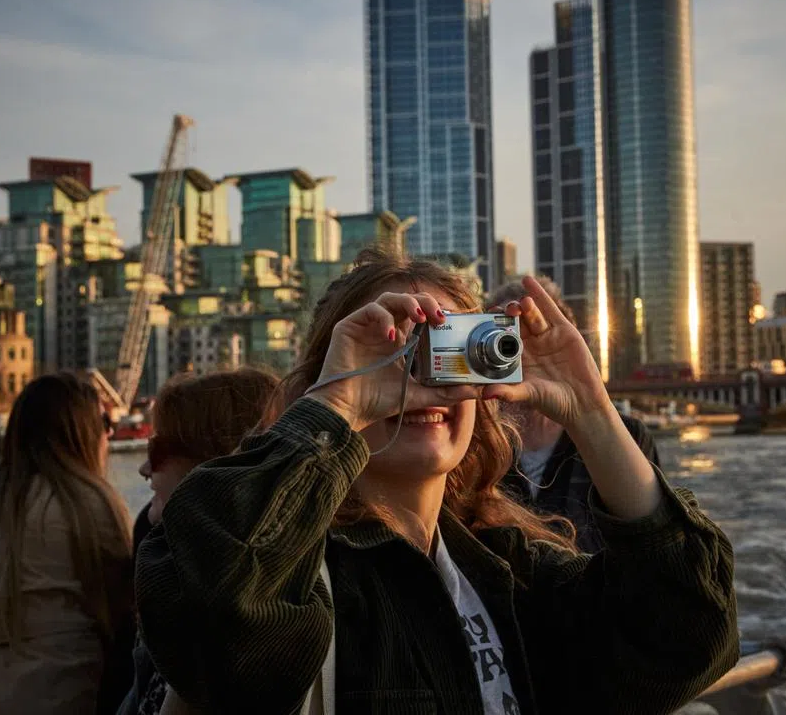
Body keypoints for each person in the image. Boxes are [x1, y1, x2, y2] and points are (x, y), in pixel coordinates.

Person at [136, 249, 739, 714]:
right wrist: (339, 408)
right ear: (328, 377)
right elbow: (209, 608)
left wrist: (591, 411)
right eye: (396, 351)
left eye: (453, 351)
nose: (424, 380)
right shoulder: (303, 582)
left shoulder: (509, 572)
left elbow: (687, 635)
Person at [0, 372, 134, 715]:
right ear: (81, 430)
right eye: (103, 421)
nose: (110, 432)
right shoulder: (89, 503)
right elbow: (123, 620)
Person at [117, 367, 280, 715]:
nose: (145, 468)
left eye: (157, 449)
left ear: (210, 462)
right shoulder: (164, 557)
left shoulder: (250, 616)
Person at [486, 277, 663, 553]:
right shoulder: (472, 448)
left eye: (537, 335)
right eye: (503, 339)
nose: (522, 353)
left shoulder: (624, 437)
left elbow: (655, 547)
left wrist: (587, 413)